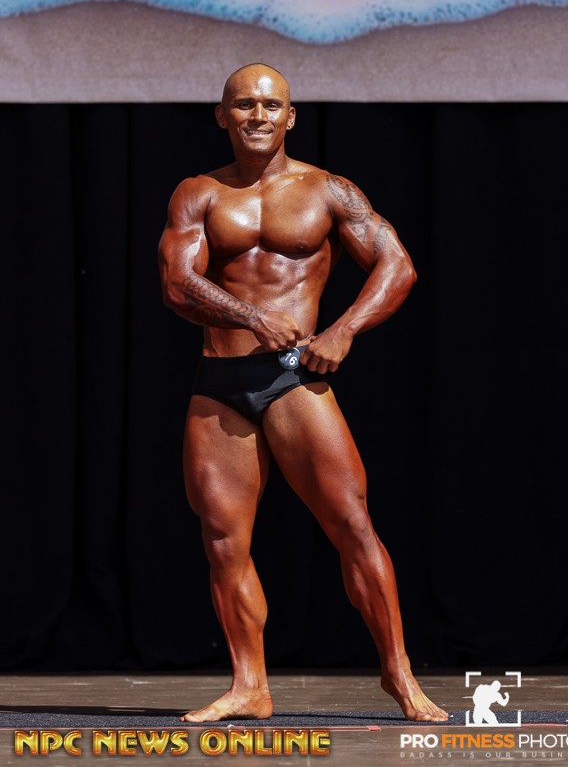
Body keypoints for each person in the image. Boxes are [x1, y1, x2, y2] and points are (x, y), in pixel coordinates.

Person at [158, 63, 448, 723]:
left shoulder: (328, 191)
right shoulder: (198, 193)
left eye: (271, 105)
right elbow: (176, 284)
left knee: (352, 526)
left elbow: (398, 265)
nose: (257, 115)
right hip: (220, 382)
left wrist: (342, 332)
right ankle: (249, 686)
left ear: (290, 116)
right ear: (222, 116)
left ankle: (400, 677)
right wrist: (251, 316)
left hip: (293, 378)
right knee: (223, 540)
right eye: (244, 105)